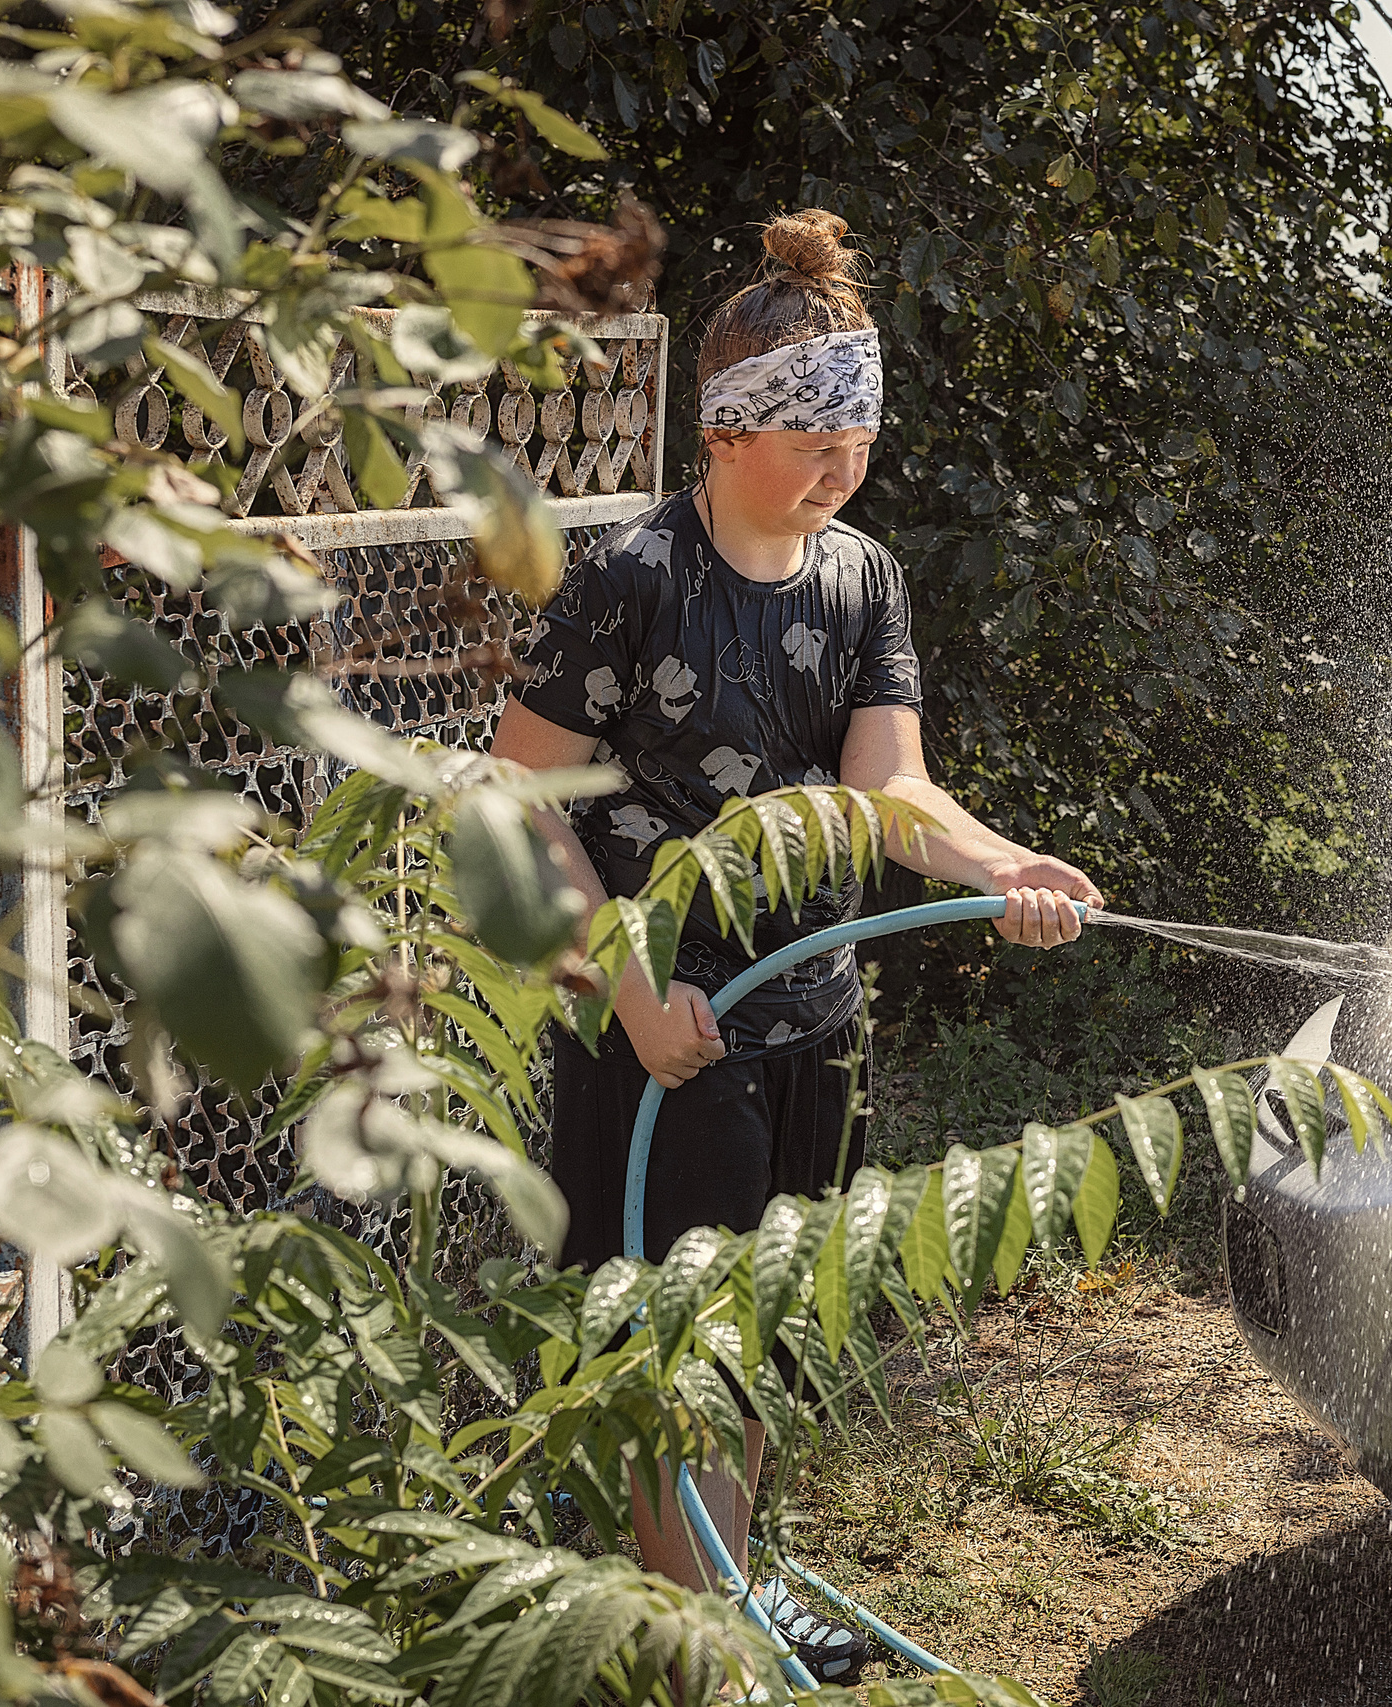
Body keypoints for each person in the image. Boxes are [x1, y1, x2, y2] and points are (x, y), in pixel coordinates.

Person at [489, 208, 1100, 1680]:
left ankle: (732, 1605)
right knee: (664, 1352)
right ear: (723, 429)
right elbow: (519, 803)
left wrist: (1004, 866)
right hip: (664, 1033)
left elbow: (892, 793)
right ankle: (696, 1651)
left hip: (807, 1015)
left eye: (860, 431)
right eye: (813, 434)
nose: (844, 461)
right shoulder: (629, 575)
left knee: (759, 1327)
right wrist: (629, 997)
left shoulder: (864, 578)